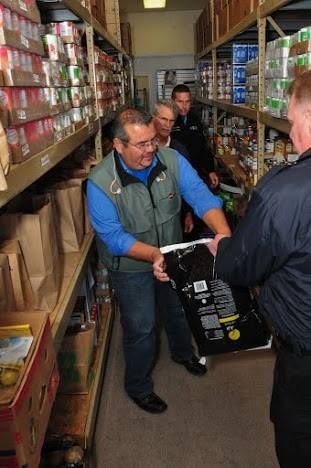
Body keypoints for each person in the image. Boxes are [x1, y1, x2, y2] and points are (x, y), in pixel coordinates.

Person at [87, 108, 231, 414]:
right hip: (130, 266)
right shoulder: (99, 183)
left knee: (178, 309)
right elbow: (114, 238)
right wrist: (154, 255)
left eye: (153, 140)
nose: (151, 149)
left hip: (172, 252)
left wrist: (224, 233)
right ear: (118, 145)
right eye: (141, 145)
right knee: (141, 326)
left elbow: (201, 197)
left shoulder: (172, 161)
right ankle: (137, 386)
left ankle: (183, 353)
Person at [206, 71, 311, 468]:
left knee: (299, 444)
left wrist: (224, 246)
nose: (290, 130)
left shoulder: (285, 192)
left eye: (292, 119)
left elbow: (241, 266)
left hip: (305, 360)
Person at [152, 99, 194, 235]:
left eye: (171, 121)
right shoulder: (146, 148)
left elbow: (187, 185)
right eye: (163, 119)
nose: (167, 125)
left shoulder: (179, 150)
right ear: (153, 118)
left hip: (174, 215)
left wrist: (188, 214)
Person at [171, 84, 219, 188]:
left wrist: (210, 170)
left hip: (194, 172)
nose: (184, 106)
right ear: (173, 101)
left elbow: (203, 147)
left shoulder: (195, 118)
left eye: (187, 102)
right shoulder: (167, 121)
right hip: (174, 175)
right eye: (180, 102)